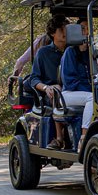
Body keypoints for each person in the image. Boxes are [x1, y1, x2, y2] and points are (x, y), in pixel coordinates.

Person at [24, 14, 71, 149]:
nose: (65, 33)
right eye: (61, 30)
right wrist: (46, 88)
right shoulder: (44, 52)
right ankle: (59, 138)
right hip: (50, 93)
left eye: (67, 30)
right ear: (52, 33)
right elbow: (34, 78)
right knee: (57, 93)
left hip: (72, 89)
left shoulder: (73, 50)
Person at [60, 18, 94, 146]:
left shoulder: (91, 53)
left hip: (85, 92)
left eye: (88, 28)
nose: (86, 32)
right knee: (92, 98)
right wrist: (92, 90)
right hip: (68, 94)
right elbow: (70, 82)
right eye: (83, 29)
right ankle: (84, 137)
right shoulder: (70, 52)